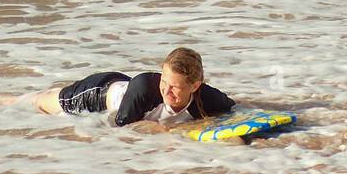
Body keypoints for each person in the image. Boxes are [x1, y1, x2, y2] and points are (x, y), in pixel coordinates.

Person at [24, 47, 235, 128]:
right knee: (41, 102)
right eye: (164, 82)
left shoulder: (208, 97)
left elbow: (236, 110)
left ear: (195, 85)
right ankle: (0, 101)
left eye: (175, 87)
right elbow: (121, 127)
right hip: (97, 94)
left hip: (127, 90)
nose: (166, 91)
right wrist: (168, 131)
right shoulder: (145, 89)